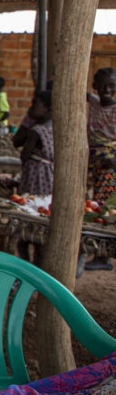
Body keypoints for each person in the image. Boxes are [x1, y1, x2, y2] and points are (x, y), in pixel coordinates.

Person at [86, 68, 116, 271]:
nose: (107, 89)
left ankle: (103, 256)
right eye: (103, 85)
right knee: (95, 204)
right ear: (95, 86)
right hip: (94, 162)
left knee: (104, 209)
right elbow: (85, 95)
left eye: (112, 86)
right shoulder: (95, 102)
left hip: (110, 165)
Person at [14, 90, 53, 196]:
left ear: (47, 109)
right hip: (50, 175)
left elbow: (24, 154)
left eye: (35, 104)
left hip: (34, 174)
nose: (31, 108)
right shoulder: (53, 128)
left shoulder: (35, 131)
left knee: (29, 200)